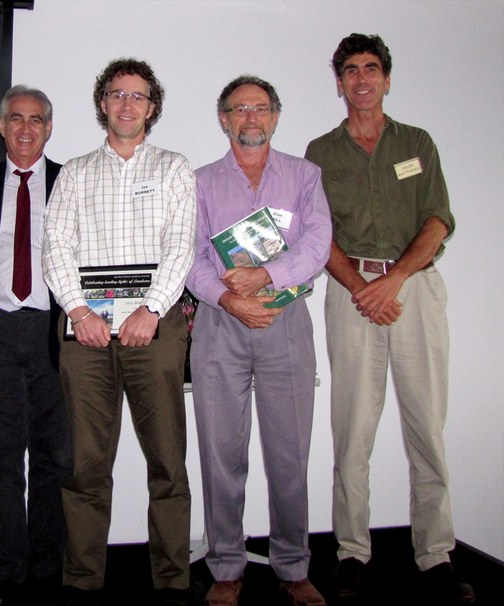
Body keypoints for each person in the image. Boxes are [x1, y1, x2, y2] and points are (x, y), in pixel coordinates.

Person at [304, 34, 475, 604]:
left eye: (371, 69)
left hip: (414, 294)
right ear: (339, 82)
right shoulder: (321, 151)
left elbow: (438, 219)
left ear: (387, 78)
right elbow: (316, 232)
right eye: (350, 70)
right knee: (351, 431)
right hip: (351, 296)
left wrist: (394, 280)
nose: (361, 79)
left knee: (426, 428)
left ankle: (435, 555)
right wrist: (361, 288)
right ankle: (352, 553)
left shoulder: (417, 143)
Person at [42, 58, 196, 606]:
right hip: (84, 336)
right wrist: (78, 312)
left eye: (138, 96)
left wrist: (152, 310)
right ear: (102, 103)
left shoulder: (175, 168)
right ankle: (83, 581)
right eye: (116, 94)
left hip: (154, 330)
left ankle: (173, 580)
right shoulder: (75, 173)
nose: (127, 104)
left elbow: (182, 246)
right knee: (85, 465)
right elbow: (55, 246)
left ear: (152, 107)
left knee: (167, 463)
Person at [186, 75, 331, 606]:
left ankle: (293, 566)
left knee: (289, 454)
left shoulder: (305, 175)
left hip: (285, 322)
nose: (250, 117)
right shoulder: (199, 181)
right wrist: (229, 299)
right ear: (224, 118)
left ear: (275, 116)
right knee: (221, 453)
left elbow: (318, 242)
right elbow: (190, 257)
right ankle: (226, 565)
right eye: (239, 108)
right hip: (220, 325)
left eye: (261, 108)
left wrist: (265, 278)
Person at [0, 85, 71, 605]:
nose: (26, 128)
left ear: (49, 128)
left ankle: (50, 563)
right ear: (2, 126)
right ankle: (7, 565)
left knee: (55, 454)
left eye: (37, 119)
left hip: (54, 330)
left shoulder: (70, 181)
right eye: (16, 118)